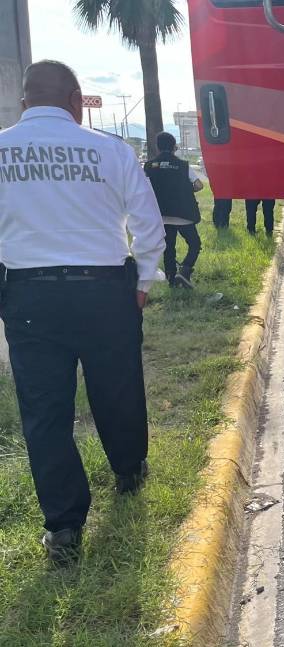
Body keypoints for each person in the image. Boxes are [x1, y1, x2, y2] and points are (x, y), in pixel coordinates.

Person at [0, 61, 164, 565]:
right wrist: (142, 282)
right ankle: (129, 470)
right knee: (117, 386)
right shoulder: (111, 150)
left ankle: (65, 526)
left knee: (44, 411)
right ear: (76, 101)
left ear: (25, 103)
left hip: (28, 295)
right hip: (104, 290)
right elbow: (148, 223)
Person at [144, 132, 204, 289]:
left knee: (169, 247)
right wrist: (187, 190)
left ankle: (171, 279)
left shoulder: (149, 166)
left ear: (157, 147)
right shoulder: (183, 165)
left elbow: (144, 189)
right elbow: (199, 185)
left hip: (161, 215)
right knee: (195, 244)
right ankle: (184, 270)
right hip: (183, 214)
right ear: (174, 147)